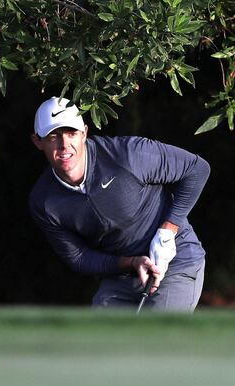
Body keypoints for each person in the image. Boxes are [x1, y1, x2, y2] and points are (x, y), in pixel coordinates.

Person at [28, 97, 210, 311]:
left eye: (72, 133)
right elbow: (78, 257)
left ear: (85, 133)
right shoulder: (45, 201)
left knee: (157, 340)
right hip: (122, 276)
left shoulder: (127, 155)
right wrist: (131, 262)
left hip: (176, 262)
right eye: (53, 136)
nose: (64, 144)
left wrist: (168, 230)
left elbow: (196, 169)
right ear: (37, 141)